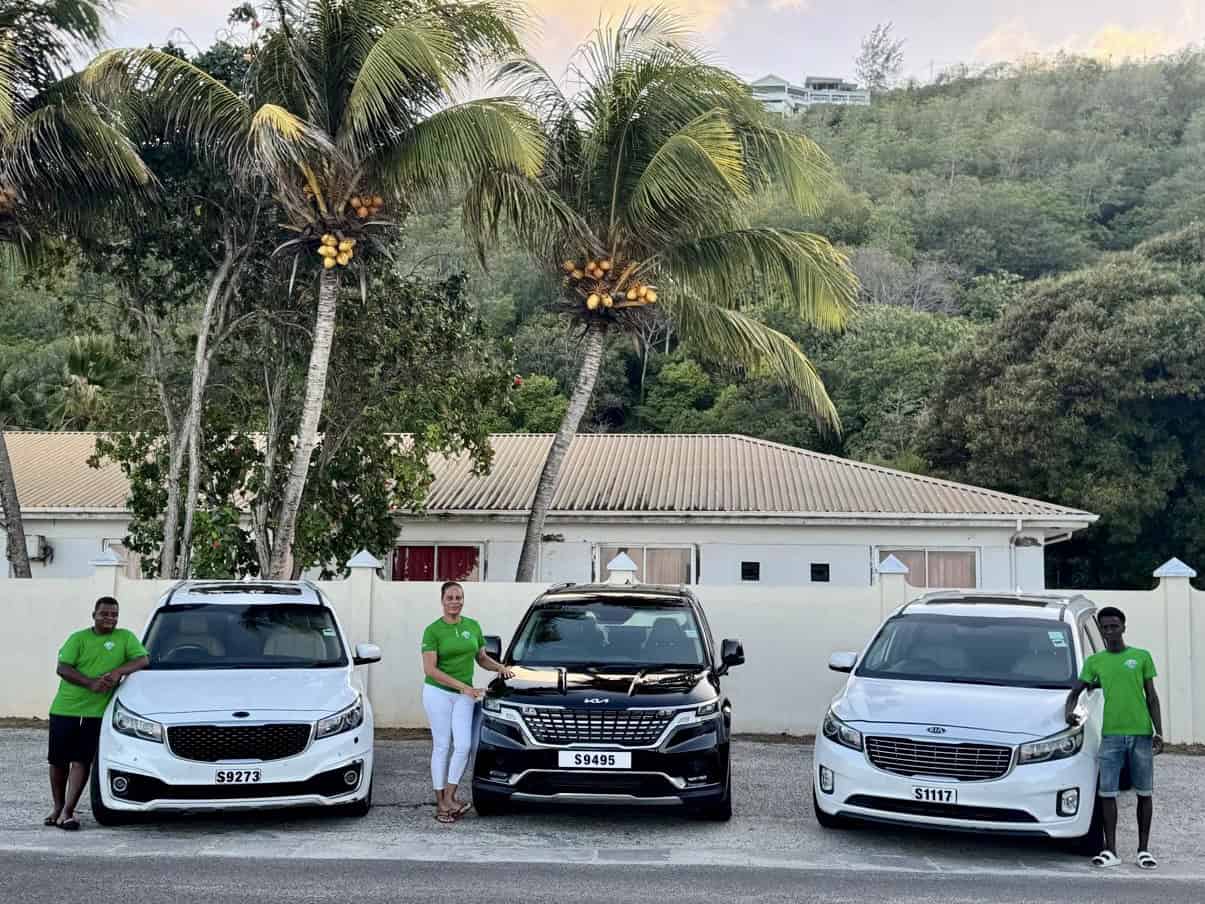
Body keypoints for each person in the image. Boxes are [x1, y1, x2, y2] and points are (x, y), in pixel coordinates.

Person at [1065, 605, 1163, 869]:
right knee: (1107, 793)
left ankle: (1143, 850)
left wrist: (1159, 731)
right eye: (1105, 628)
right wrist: (1069, 714)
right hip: (1111, 736)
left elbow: (1151, 696)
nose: (1110, 631)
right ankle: (1111, 851)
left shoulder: (1141, 657)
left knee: (1144, 792)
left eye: (1114, 626)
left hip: (1141, 734)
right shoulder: (1095, 662)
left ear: (1123, 627)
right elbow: (1077, 691)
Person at [47, 595, 149, 830]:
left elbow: (143, 659)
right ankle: (57, 807)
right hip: (66, 708)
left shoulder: (125, 638)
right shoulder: (78, 638)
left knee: (82, 760)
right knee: (58, 761)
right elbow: (62, 667)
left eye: (114, 614)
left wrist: (118, 672)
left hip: (96, 713)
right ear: (94, 615)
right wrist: (90, 683)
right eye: (104, 613)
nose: (109, 618)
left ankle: (68, 811)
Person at [420, 580, 512, 823]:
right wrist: (464, 687)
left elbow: (481, 658)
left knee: (463, 746)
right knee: (442, 745)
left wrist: (500, 668)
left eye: (458, 597)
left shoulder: (473, 626)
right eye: (450, 598)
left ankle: (450, 797)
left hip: (465, 695)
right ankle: (441, 804)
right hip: (438, 693)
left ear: (463, 600)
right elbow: (430, 669)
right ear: (442, 601)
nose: (454, 602)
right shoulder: (433, 630)